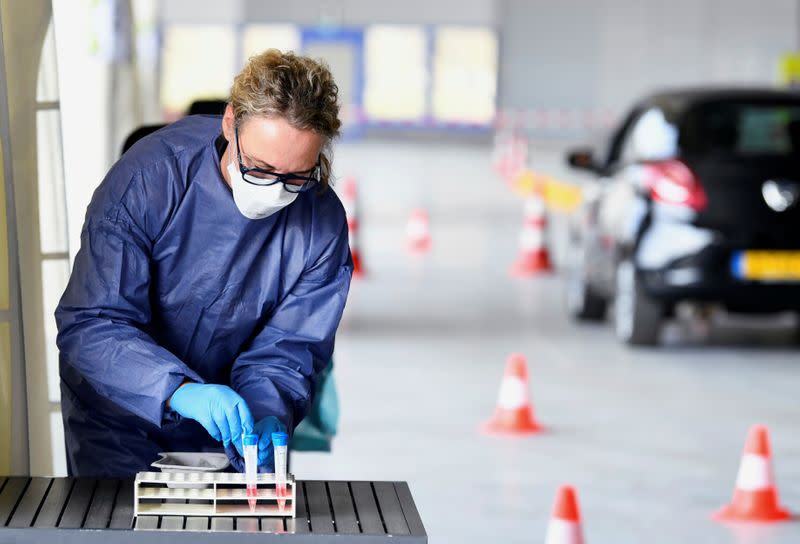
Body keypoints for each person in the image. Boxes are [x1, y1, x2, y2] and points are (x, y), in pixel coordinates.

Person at [55, 49, 352, 478]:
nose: (275, 192)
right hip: (117, 414)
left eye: (296, 177)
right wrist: (179, 390)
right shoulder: (150, 178)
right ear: (231, 124)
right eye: (261, 169)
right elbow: (93, 322)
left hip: (229, 427)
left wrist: (269, 410)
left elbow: (288, 350)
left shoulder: (320, 224)